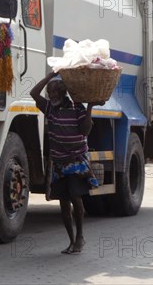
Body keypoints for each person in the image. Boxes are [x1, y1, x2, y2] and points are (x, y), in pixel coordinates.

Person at [30, 71, 102, 254]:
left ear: (63, 93)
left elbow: (85, 131)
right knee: (63, 202)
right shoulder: (49, 109)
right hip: (59, 163)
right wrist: (49, 76)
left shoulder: (77, 108)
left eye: (55, 92)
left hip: (76, 161)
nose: (51, 96)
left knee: (76, 198)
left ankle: (80, 237)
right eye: (50, 93)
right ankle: (71, 240)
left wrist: (90, 108)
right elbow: (33, 93)